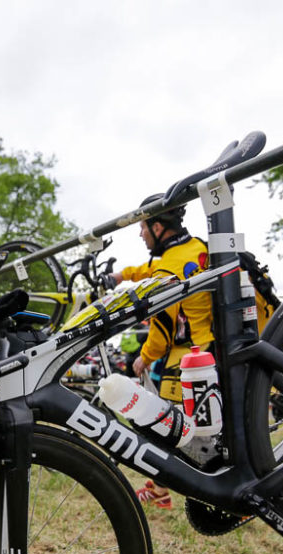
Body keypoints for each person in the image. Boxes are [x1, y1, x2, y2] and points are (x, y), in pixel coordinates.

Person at [105, 196, 214, 510]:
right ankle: (162, 488)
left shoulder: (169, 264)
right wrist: (121, 276)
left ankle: (164, 490)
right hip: (210, 349)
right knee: (188, 429)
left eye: (142, 227)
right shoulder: (191, 247)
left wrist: (144, 357)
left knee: (168, 428)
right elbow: (147, 269)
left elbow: (163, 326)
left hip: (189, 356)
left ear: (157, 225)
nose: (140, 234)